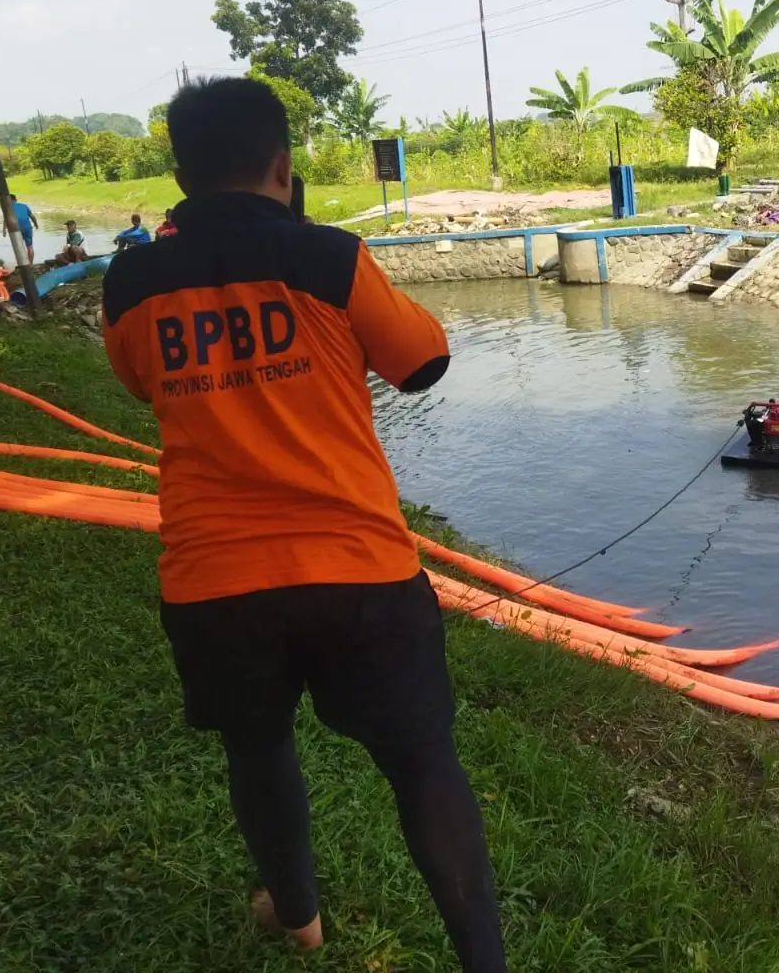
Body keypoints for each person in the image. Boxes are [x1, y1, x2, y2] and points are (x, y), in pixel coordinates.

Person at [101, 77, 504, 968]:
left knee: (258, 747)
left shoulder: (131, 282)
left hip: (216, 581)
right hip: (358, 568)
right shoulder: (331, 260)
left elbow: (143, 385)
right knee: (423, 763)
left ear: (180, 169)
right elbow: (424, 361)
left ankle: (299, 919)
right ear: (283, 164)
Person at [8, 194, 39, 263]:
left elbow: (7, 219)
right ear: (15, 200)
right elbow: (32, 216)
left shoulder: (8, 208)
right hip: (27, 227)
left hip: (16, 228)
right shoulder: (24, 206)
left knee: (19, 247)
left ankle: (23, 265)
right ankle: (30, 264)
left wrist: (5, 229)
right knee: (29, 246)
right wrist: (36, 224)